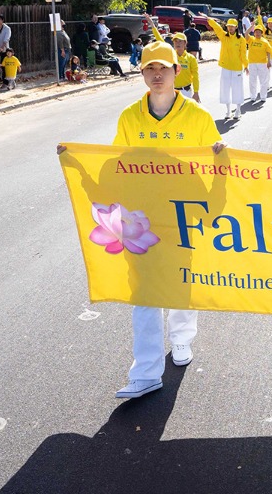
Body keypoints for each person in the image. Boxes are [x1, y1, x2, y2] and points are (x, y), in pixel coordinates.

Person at [57, 39, 227, 399]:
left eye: (164, 68)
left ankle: (181, 339)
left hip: (182, 214)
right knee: (144, 292)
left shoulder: (198, 117)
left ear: (177, 71)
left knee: (180, 282)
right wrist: (77, 160)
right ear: (142, 73)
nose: (157, 75)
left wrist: (219, 172)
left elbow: (218, 167)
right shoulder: (130, 116)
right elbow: (117, 165)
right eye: (150, 68)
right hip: (141, 218)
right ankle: (146, 372)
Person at [206, 16, 248, 120]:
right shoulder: (224, 36)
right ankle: (228, 111)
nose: (230, 28)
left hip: (237, 67)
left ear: (236, 27)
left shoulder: (241, 39)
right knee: (225, 89)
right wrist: (209, 19)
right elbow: (217, 28)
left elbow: (243, 54)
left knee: (237, 89)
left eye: (232, 27)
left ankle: (238, 110)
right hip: (225, 67)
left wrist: (246, 65)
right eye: (229, 26)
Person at [246, 23, 272, 102]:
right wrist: (251, 26)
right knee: (252, 80)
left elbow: (268, 52)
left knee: (263, 80)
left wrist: (269, 61)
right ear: (254, 33)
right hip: (252, 63)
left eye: (259, 32)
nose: (257, 33)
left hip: (262, 63)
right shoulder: (251, 39)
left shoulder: (265, 42)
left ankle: (263, 96)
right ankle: (253, 96)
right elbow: (246, 33)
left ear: (261, 33)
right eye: (256, 32)